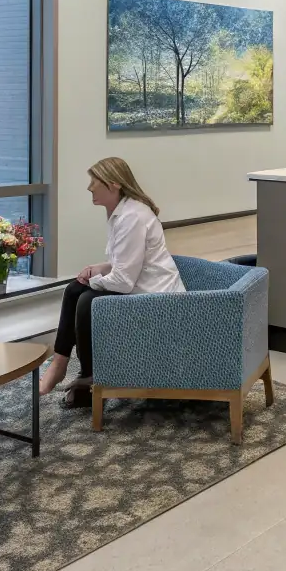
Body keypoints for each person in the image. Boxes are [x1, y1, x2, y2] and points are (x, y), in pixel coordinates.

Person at [39, 157, 185, 404]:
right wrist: (99, 268)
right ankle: (61, 363)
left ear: (114, 183)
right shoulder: (122, 212)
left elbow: (124, 282)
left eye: (94, 181)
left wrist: (94, 280)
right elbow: (129, 262)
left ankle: (90, 381)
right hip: (142, 286)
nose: (89, 188)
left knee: (87, 300)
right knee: (74, 289)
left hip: (158, 298)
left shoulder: (132, 217)